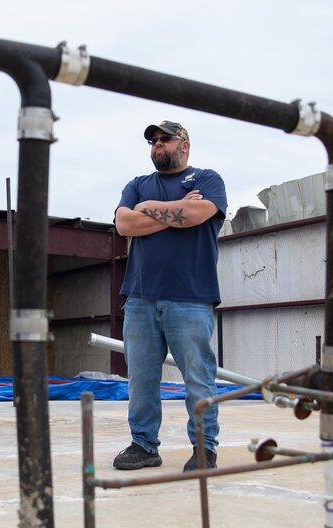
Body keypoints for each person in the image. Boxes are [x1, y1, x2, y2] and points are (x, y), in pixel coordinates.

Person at [112, 120, 227, 472]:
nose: (157, 144)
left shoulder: (208, 180)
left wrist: (147, 209)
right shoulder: (137, 185)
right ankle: (144, 445)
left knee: (198, 377)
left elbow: (196, 214)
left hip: (190, 297)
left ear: (184, 145)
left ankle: (204, 450)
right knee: (141, 378)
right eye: (153, 140)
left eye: (165, 139)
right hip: (140, 298)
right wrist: (172, 209)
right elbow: (124, 225)